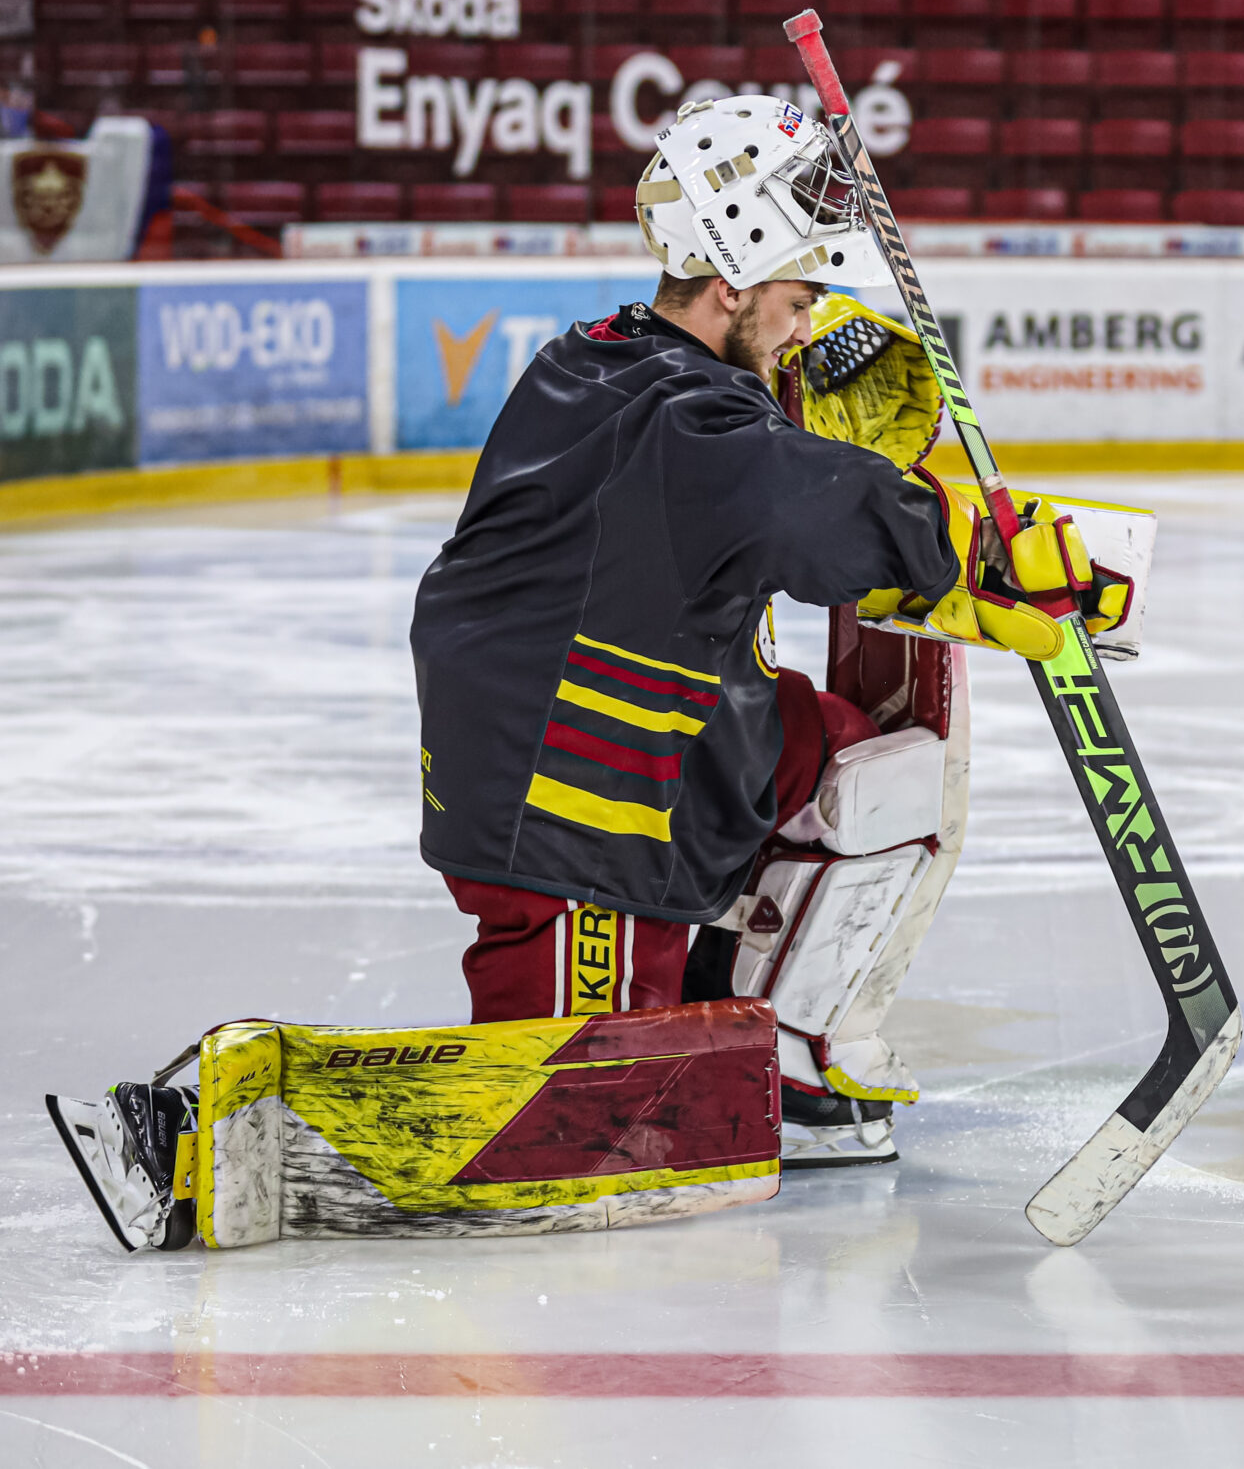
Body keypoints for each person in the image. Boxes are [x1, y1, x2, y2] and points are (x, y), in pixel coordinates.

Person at [49, 94, 1094, 1250]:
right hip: (570, 805)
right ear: (733, 279)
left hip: (660, 736)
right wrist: (987, 545)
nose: (809, 325)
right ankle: (202, 1126)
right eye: (799, 300)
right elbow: (804, 505)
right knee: (567, 1126)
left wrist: (856, 456)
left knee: (867, 766)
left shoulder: (616, 370)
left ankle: (789, 1075)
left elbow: (768, 486)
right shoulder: (686, 423)